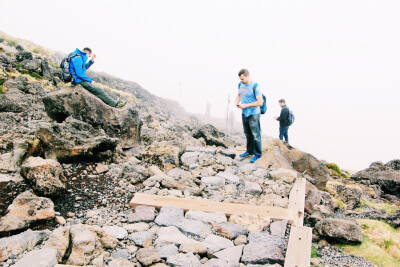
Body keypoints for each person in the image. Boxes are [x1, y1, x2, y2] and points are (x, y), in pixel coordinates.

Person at [235, 69, 263, 163]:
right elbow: (239, 95)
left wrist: (245, 105)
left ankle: (258, 154)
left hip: (254, 114)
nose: (241, 81)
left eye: (242, 79)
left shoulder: (255, 86)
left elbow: (260, 102)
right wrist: (237, 102)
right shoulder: (240, 84)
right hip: (244, 113)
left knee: (256, 135)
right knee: (248, 134)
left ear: (247, 76)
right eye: (240, 79)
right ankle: (249, 151)